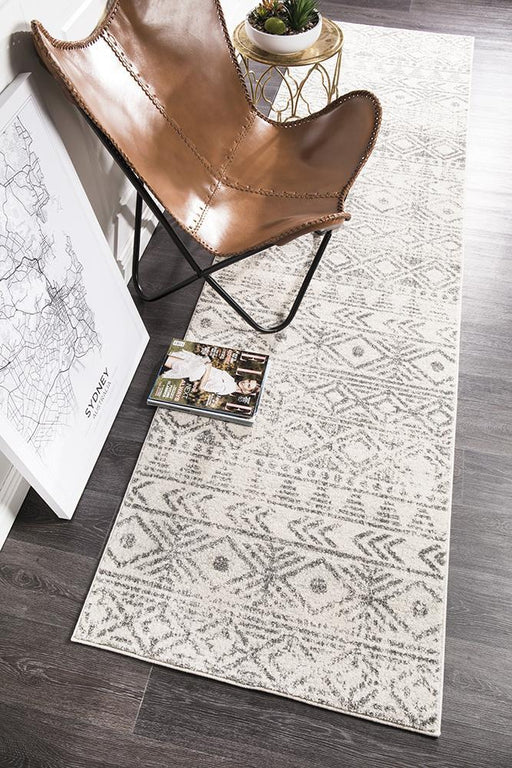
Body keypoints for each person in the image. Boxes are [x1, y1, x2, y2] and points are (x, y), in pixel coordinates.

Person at [161, 350, 260, 397]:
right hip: (199, 366)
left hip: (196, 370)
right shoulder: (231, 381)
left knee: (165, 359)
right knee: (168, 356)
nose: (245, 382)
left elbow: (202, 386)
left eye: (248, 385)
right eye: (249, 380)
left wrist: (208, 368)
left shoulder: (228, 389)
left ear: (246, 392)